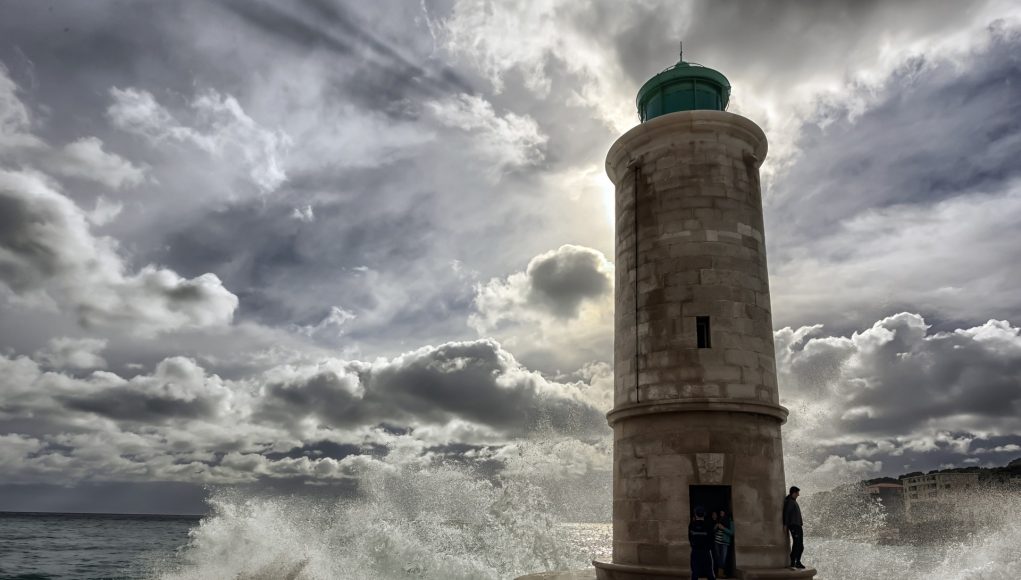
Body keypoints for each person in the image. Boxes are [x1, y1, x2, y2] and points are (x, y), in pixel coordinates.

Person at [689, 506, 716, 580]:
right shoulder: (709, 525)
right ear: (704, 514)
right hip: (706, 551)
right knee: (709, 572)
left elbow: (690, 538)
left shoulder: (692, 525)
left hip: (695, 551)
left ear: (695, 514)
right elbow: (712, 539)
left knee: (695, 572)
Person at [783, 486, 806, 569]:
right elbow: (786, 514)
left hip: (797, 526)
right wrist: (785, 525)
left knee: (800, 545)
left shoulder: (793, 501)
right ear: (794, 493)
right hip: (794, 526)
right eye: (797, 493)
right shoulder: (790, 502)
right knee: (797, 544)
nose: (798, 495)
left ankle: (797, 561)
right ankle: (794, 562)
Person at [714, 509, 734, 578]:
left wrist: (723, 528)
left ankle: (720, 573)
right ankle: (719, 573)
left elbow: (731, 532)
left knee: (723, 558)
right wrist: (715, 527)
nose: (721, 513)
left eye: (722, 512)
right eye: (720, 512)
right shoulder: (720, 520)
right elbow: (714, 530)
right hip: (717, 541)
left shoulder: (730, 521)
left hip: (724, 542)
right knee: (717, 557)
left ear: (725, 513)